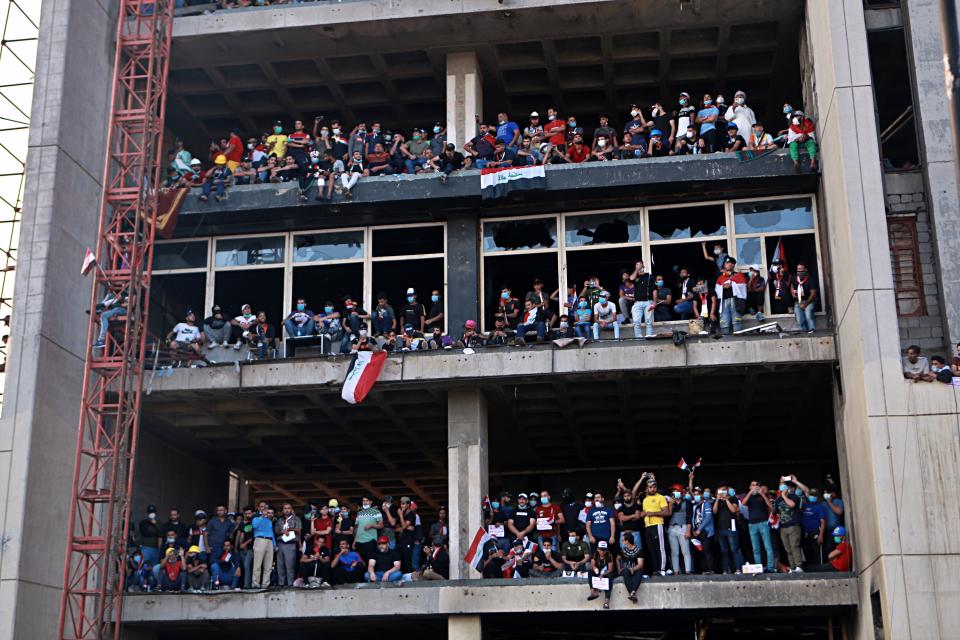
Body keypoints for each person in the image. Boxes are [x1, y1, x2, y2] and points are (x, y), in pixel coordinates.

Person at [741, 481, 776, 573]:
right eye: (752, 485)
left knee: (768, 547)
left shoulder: (762, 495)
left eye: (756, 485)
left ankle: (771, 567)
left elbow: (771, 506)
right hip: (752, 525)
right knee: (756, 548)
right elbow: (743, 503)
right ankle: (758, 568)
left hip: (763, 523)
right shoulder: (749, 497)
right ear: (749, 487)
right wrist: (750, 492)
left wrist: (762, 494)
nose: (754, 486)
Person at [640, 476, 670, 575]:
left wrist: (652, 513)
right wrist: (643, 514)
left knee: (660, 548)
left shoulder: (661, 497)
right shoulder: (645, 499)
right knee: (651, 549)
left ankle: (662, 569)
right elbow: (643, 513)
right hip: (647, 526)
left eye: (654, 487)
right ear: (647, 488)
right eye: (650, 487)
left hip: (657, 525)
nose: (652, 489)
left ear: (656, 487)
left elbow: (666, 512)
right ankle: (656, 569)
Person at [774, 476, 805, 572]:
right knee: (788, 549)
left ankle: (799, 566)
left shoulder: (793, 496)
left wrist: (784, 496)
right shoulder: (778, 500)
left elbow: (792, 505)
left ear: (787, 488)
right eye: (780, 486)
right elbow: (777, 512)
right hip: (783, 527)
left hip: (793, 526)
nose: (781, 488)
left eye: (783, 486)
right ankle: (793, 567)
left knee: (794, 546)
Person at [713, 484, 744, 574]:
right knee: (724, 551)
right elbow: (714, 511)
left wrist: (726, 499)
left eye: (723, 490)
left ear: (727, 491)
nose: (722, 492)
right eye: (720, 491)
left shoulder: (733, 498)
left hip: (731, 528)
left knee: (734, 549)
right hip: (721, 529)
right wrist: (717, 499)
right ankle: (725, 570)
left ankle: (738, 569)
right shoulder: (718, 500)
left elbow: (733, 510)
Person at [666, 484, 693, 575]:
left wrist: (688, 530)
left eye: (676, 491)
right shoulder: (668, 502)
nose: (674, 493)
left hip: (683, 527)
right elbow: (668, 515)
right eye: (673, 491)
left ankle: (688, 571)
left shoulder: (687, 502)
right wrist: (670, 504)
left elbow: (690, 517)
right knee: (674, 552)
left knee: (685, 551)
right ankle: (676, 572)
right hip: (671, 528)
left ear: (681, 492)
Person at [715, 257, 746, 335]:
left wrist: (731, 284)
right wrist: (723, 286)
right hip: (724, 301)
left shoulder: (739, 275)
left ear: (733, 264)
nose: (726, 265)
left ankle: (738, 339)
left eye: (728, 263)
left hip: (735, 301)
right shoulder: (721, 277)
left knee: (737, 320)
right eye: (726, 263)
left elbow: (742, 286)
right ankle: (725, 340)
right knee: (723, 322)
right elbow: (717, 288)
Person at [799, 484, 827, 568]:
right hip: (805, 533)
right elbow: (806, 491)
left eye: (814, 495)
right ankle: (811, 569)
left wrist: (821, 535)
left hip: (815, 532)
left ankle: (820, 569)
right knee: (807, 551)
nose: (812, 496)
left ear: (817, 497)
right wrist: (796, 482)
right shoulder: (805, 505)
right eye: (811, 495)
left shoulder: (819, 507)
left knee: (817, 552)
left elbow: (823, 521)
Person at [690, 485, 715, 574]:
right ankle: (703, 570)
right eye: (695, 494)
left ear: (702, 495)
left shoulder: (706, 504)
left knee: (706, 550)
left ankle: (710, 569)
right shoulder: (695, 506)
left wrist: (699, 529)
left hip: (705, 531)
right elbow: (693, 518)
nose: (696, 496)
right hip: (697, 532)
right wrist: (693, 529)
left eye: (698, 494)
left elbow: (708, 517)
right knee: (700, 552)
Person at [250, 504, 275, 589]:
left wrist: (274, 544)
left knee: (268, 565)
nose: (265, 510)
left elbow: (271, 533)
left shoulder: (269, 521)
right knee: (257, 564)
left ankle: (265, 584)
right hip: (260, 540)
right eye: (263, 508)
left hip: (269, 541)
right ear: (259, 509)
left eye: (266, 508)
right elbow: (255, 526)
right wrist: (262, 516)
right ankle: (255, 584)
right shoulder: (256, 519)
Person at [353, 494, 384, 561]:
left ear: (371, 502)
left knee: (370, 561)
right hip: (358, 541)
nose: (365, 502)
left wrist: (371, 525)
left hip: (370, 541)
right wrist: (354, 541)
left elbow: (381, 525)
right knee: (359, 561)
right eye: (363, 501)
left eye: (367, 501)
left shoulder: (376, 512)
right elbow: (357, 528)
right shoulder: (359, 513)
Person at [630, 260, 655, 338]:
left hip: (648, 302)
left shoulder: (650, 276)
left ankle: (649, 335)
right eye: (637, 264)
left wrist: (654, 302)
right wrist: (637, 270)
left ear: (643, 266)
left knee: (649, 321)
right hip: (637, 303)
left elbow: (655, 289)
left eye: (640, 264)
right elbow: (631, 278)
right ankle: (638, 337)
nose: (639, 265)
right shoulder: (635, 277)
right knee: (636, 321)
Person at [790, 262, 818, 333]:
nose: (799, 271)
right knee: (799, 318)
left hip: (810, 300)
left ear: (805, 270)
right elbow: (792, 285)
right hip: (799, 301)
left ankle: (812, 332)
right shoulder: (794, 277)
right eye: (797, 269)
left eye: (800, 269)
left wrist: (805, 304)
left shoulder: (810, 279)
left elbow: (813, 294)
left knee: (808, 314)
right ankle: (804, 333)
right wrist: (792, 292)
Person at [586, 540, 615, 608]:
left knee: (610, 578)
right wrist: (594, 568)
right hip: (598, 572)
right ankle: (593, 592)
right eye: (601, 549)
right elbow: (592, 566)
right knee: (590, 572)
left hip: (606, 573)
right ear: (598, 549)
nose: (602, 551)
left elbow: (610, 569)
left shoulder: (609, 555)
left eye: (604, 550)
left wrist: (603, 574)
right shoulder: (595, 554)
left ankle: (607, 601)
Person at [618, 532, 644, 603]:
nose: (622, 541)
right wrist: (619, 569)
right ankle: (633, 593)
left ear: (627, 541)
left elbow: (640, 564)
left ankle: (632, 593)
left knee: (640, 571)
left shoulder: (638, 550)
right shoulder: (623, 550)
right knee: (626, 570)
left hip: (634, 570)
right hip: (625, 570)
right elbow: (617, 559)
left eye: (623, 540)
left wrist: (633, 569)